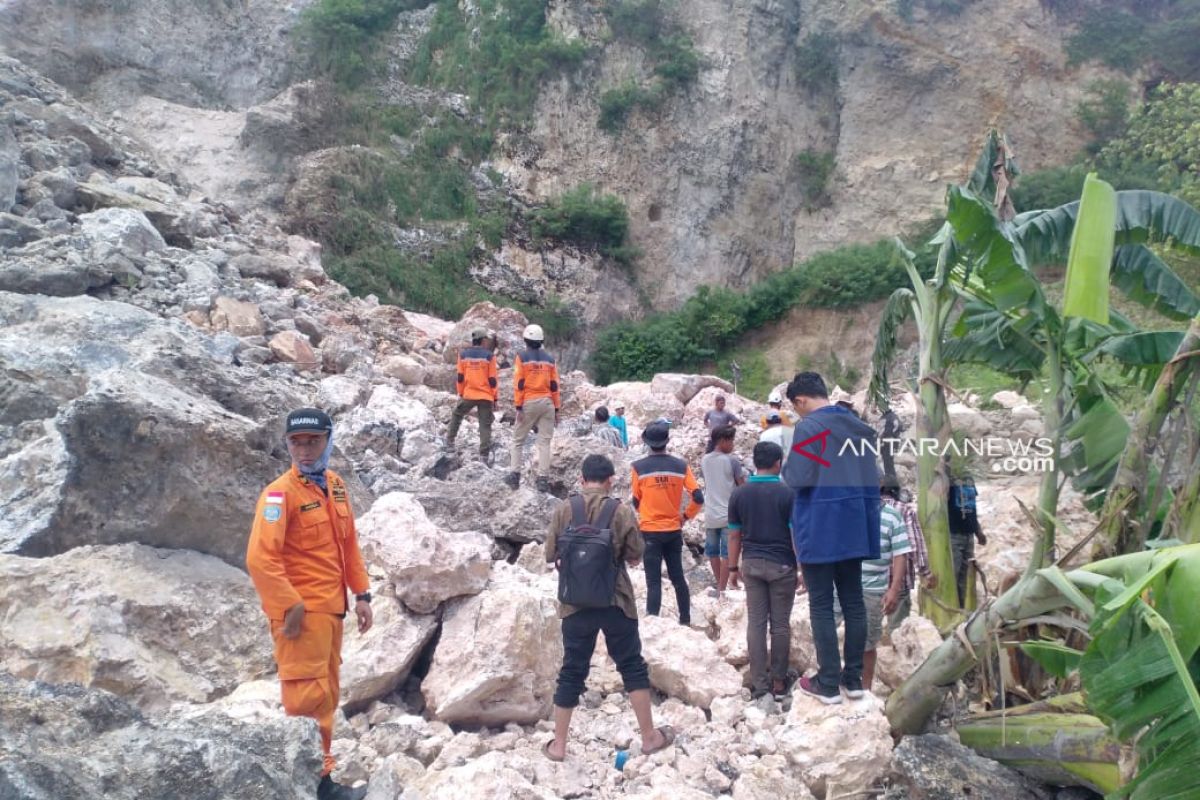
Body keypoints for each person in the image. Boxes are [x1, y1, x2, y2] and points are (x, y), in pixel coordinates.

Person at [246, 409, 373, 800]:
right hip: (302, 617)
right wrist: (289, 604)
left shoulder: (334, 486)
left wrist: (362, 593)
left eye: (312, 441)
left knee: (326, 696)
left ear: (328, 441)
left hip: (332, 610)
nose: (303, 450)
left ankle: (322, 777)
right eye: (296, 442)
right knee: (305, 699)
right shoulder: (279, 494)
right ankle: (313, 786)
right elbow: (259, 558)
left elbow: (347, 544)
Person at [542, 454, 676, 762]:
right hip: (616, 601)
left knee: (572, 670)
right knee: (631, 665)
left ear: (581, 479)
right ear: (610, 481)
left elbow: (550, 553)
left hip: (574, 603)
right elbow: (635, 552)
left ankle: (559, 745)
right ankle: (650, 737)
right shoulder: (621, 510)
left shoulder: (564, 509)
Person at [782, 372, 881, 704]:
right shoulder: (860, 427)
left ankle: (827, 683)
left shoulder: (808, 428)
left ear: (800, 401)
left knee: (822, 603)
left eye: (796, 408)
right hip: (856, 523)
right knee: (853, 600)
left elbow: (798, 476)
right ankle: (853, 680)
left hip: (822, 524)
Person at [727, 441, 799, 699]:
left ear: (755, 462)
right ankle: (779, 682)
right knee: (780, 625)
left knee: (756, 624)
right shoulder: (788, 494)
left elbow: (734, 536)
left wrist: (733, 568)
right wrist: (801, 567)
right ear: (778, 463)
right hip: (782, 566)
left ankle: (759, 684)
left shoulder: (739, 494)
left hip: (752, 566)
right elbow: (795, 535)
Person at [631, 421, 704, 625]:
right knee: (678, 578)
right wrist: (685, 516)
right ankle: (685, 621)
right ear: (667, 441)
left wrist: (647, 512)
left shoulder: (638, 468)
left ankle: (653, 622)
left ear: (647, 443)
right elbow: (698, 497)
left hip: (650, 531)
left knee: (653, 581)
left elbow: (636, 500)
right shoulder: (681, 466)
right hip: (673, 530)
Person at [860, 480, 911, 693]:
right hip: (842, 586)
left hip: (873, 590)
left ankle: (864, 689)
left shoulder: (892, 515)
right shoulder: (847, 511)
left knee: (868, 641)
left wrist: (894, 589)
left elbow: (901, 554)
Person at [506, 323, 561, 493]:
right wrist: (557, 409)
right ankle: (542, 480)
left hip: (529, 401)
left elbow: (519, 383)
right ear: (541, 340)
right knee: (544, 442)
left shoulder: (521, 357)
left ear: (525, 340)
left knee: (517, 440)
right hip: (547, 403)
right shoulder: (550, 360)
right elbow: (554, 385)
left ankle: (515, 476)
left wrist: (518, 406)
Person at [880, 475, 934, 631]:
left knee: (868, 629)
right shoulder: (904, 510)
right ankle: (895, 649)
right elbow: (914, 544)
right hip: (899, 580)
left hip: (870, 580)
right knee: (897, 627)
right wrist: (925, 571)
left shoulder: (865, 507)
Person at [699, 425, 746, 596]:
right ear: (723, 441)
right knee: (728, 552)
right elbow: (742, 487)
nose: (733, 444)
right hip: (729, 514)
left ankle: (720, 584)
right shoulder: (731, 461)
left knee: (712, 551)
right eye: (731, 440)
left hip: (710, 514)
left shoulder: (704, 460)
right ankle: (723, 588)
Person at [446, 326, 498, 462]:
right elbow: (492, 380)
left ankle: (450, 442)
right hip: (485, 396)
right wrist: (495, 397)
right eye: (486, 339)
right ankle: (484, 455)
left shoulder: (463, 355)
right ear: (483, 340)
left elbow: (460, 377)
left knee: (457, 414)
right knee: (485, 424)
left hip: (468, 394)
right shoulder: (489, 356)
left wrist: (461, 392)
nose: (487, 342)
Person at [948, 475, 986, 607]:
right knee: (954, 573)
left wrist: (978, 531)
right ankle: (953, 607)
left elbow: (972, 509)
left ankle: (964, 606)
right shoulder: (948, 482)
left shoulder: (969, 481)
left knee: (967, 573)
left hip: (968, 535)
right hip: (953, 535)